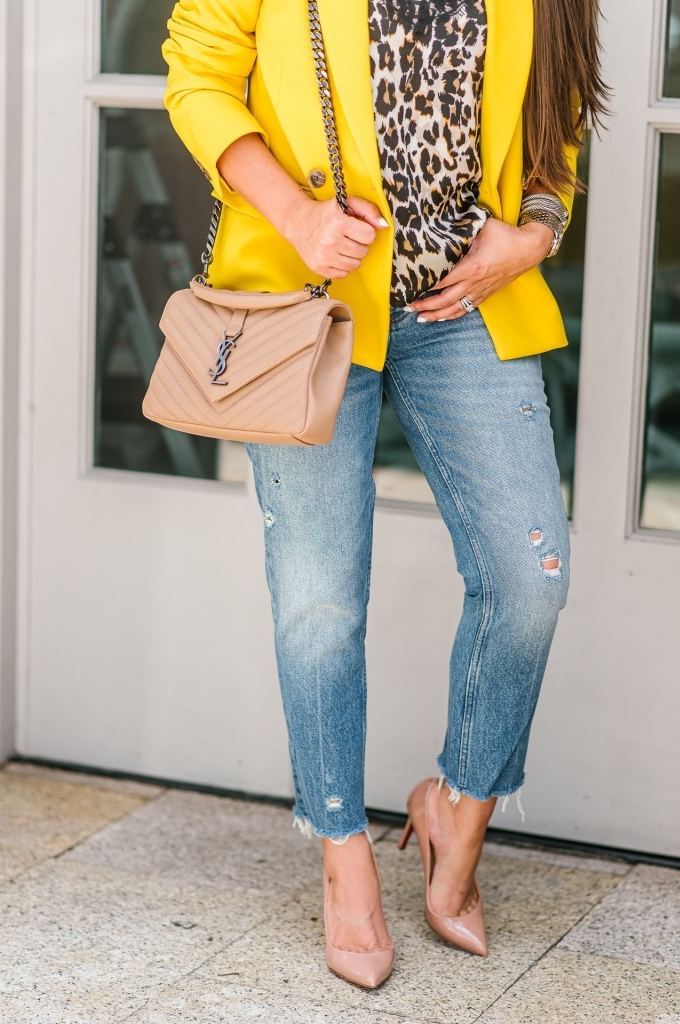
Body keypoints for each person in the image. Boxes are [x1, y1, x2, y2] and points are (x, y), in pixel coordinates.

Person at [163, 0, 608, 989]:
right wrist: (297, 215)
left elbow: (557, 111)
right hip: (306, 299)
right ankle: (341, 851)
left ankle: (458, 799)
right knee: (319, 602)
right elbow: (195, 73)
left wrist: (535, 231)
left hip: (467, 304)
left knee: (528, 576)